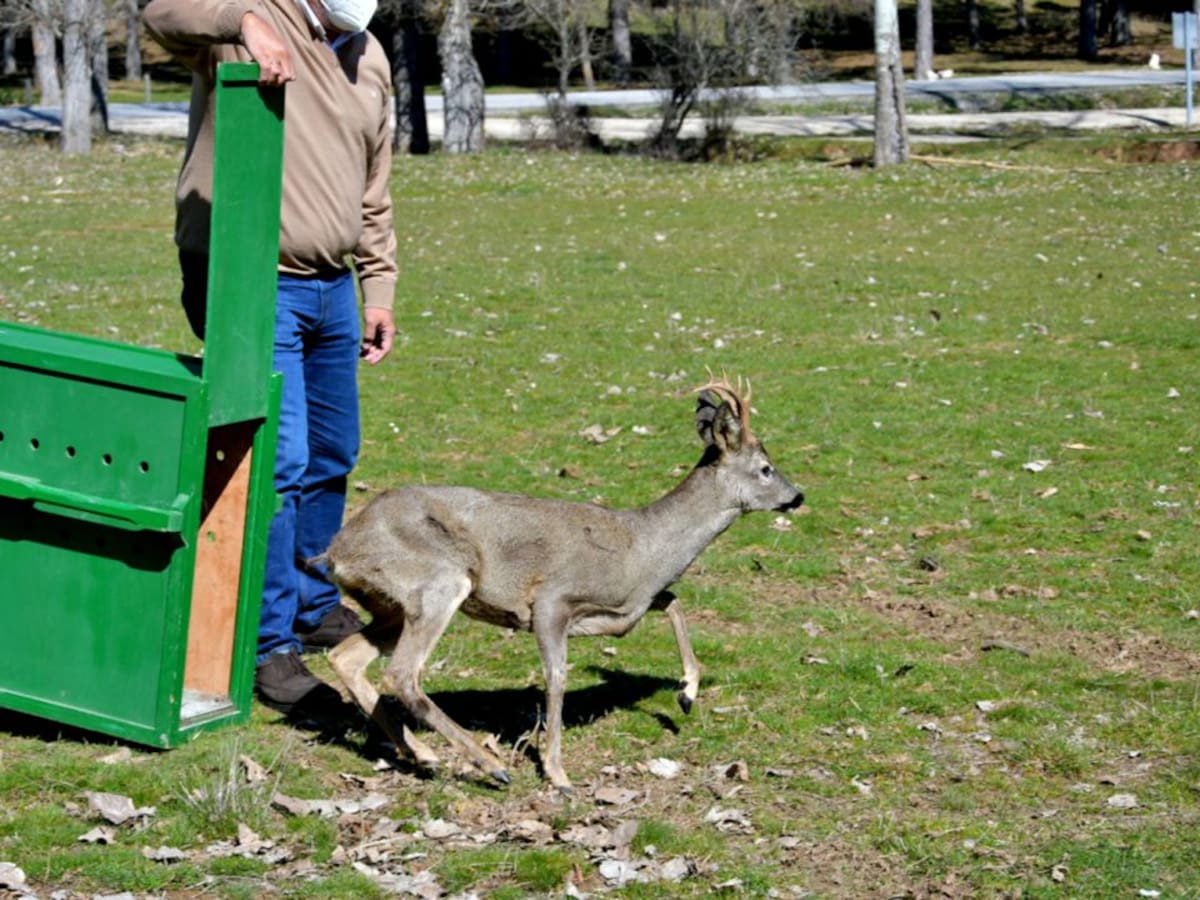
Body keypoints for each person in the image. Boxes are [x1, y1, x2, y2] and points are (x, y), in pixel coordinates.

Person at [144, 0, 397, 716]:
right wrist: (243, 21)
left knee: (332, 452)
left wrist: (378, 286)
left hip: (332, 286)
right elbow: (161, 14)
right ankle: (265, 644)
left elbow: (374, 185)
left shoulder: (369, 54)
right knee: (275, 465)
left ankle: (314, 604)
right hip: (249, 276)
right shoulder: (249, 21)